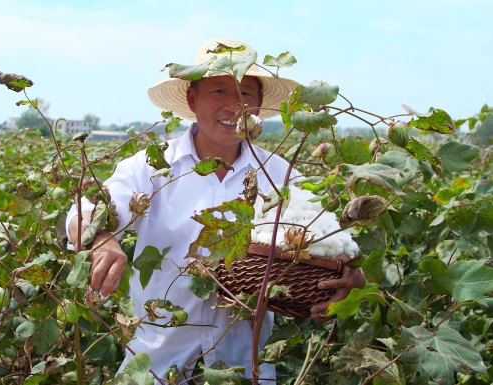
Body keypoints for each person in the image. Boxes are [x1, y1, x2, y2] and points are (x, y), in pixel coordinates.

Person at [66, 38, 365, 384]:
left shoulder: (282, 177)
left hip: (246, 370)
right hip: (155, 369)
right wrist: (101, 239)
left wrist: (351, 281)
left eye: (246, 94)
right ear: (192, 100)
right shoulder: (153, 167)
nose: (234, 106)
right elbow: (84, 209)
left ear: (259, 105)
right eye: (219, 91)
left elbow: (334, 248)